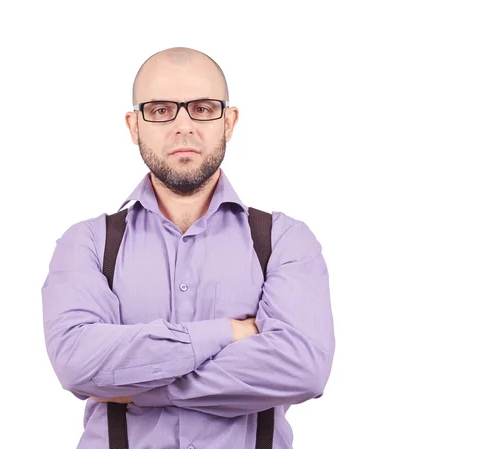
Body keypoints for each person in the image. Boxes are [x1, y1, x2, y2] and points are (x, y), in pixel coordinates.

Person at [41, 46, 335, 449]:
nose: (183, 126)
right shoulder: (87, 244)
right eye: (161, 110)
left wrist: (139, 386)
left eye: (201, 108)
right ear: (134, 126)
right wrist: (228, 332)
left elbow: (303, 369)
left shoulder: (284, 240)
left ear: (228, 122)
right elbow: (78, 365)